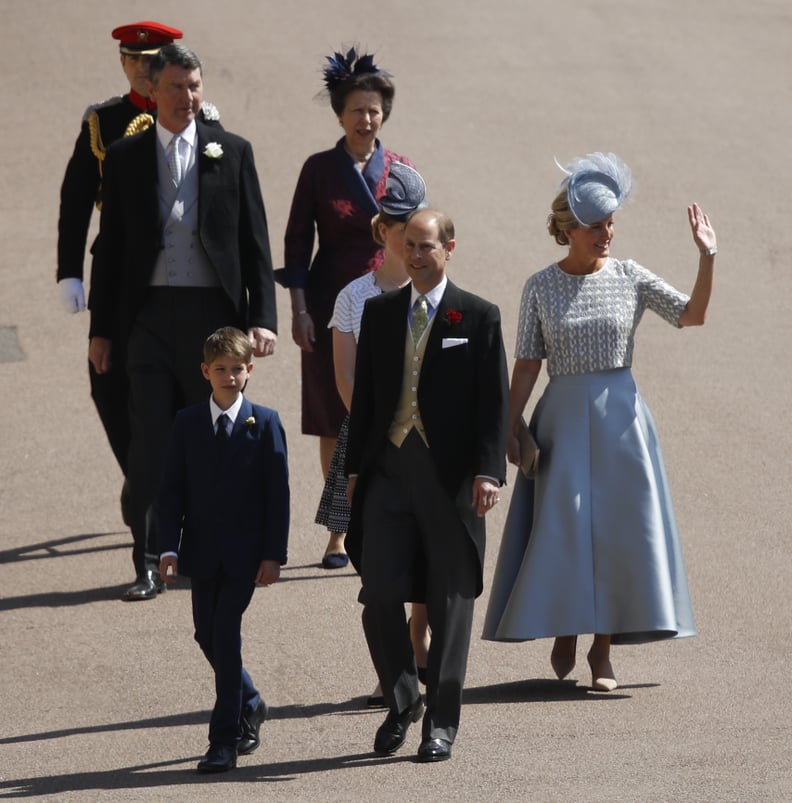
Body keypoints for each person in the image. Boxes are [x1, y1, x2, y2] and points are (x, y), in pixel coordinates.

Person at [482, 152, 716, 692]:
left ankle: (602, 651)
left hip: (622, 421)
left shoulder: (631, 276)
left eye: (611, 222)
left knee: (615, 532)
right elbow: (525, 367)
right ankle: (566, 623)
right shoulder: (540, 285)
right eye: (596, 224)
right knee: (562, 528)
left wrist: (708, 258)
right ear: (567, 229)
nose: (607, 232)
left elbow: (692, 315)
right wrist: (507, 432)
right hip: (560, 417)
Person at [88, 44, 277, 601]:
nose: (187, 98)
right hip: (146, 318)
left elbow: (254, 241)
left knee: (212, 438)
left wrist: (261, 318)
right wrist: (101, 330)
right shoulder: (124, 156)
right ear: (154, 90)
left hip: (212, 320)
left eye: (195, 86)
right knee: (149, 442)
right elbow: (111, 250)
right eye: (176, 87)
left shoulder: (232, 152)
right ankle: (146, 561)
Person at [345, 208, 509, 762]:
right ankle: (403, 698)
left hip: (451, 481)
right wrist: (350, 473)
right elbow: (365, 401)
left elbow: (495, 405)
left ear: (450, 248)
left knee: (449, 600)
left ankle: (441, 719)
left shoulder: (479, 317)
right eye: (409, 245)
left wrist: (489, 472)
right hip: (388, 474)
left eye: (427, 246)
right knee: (379, 595)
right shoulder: (380, 312)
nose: (416, 255)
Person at [57, 21, 221, 503]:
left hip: (186, 277)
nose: (144, 70)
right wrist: (68, 271)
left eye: (154, 62)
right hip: (123, 268)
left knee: (181, 385)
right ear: (124, 64)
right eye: (135, 61)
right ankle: (141, 473)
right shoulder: (103, 121)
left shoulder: (203, 117)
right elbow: (77, 199)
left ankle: (168, 488)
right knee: (110, 380)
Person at [276, 47, 414, 569]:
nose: (366, 118)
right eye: (356, 109)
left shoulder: (401, 170)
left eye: (374, 109)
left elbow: (423, 242)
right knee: (338, 417)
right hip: (333, 303)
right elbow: (294, 244)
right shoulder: (317, 170)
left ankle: (387, 519)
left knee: (397, 408)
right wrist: (299, 311)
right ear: (340, 114)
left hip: (393, 298)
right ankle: (339, 528)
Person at [314, 163, 431, 707]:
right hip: (371, 444)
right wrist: (377, 437)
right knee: (378, 562)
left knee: (427, 555)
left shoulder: (439, 295)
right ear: (381, 229)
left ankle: (417, 645)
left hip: (428, 445)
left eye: (417, 224)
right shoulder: (353, 297)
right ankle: (394, 666)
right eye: (399, 224)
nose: (409, 235)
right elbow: (345, 377)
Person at [158, 327, 289, 773]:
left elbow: (278, 495)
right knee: (205, 634)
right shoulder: (187, 422)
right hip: (201, 552)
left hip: (246, 557)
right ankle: (250, 700)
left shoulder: (265, 422)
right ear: (205, 372)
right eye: (221, 370)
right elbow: (171, 491)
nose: (229, 377)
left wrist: (273, 554)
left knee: (226, 637)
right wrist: (166, 549)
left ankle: (223, 740)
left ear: (250, 370)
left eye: (237, 369)